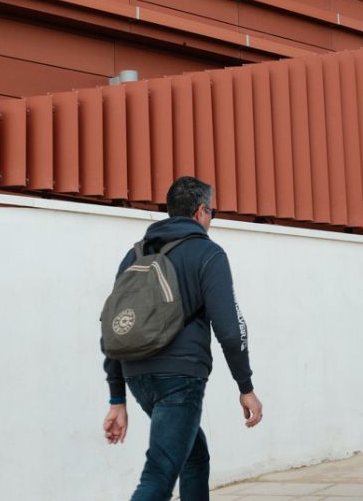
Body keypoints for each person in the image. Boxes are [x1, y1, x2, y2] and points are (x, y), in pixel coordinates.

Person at [102, 176, 263, 500]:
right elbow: (230, 330)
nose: (211, 220)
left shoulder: (134, 255)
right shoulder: (208, 253)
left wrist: (117, 397)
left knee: (193, 454)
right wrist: (245, 387)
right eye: (212, 212)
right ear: (201, 211)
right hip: (180, 377)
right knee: (160, 473)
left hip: (137, 377)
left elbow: (113, 325)